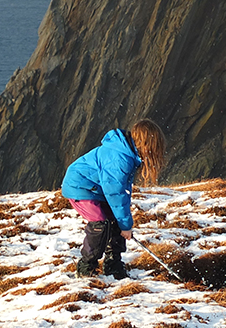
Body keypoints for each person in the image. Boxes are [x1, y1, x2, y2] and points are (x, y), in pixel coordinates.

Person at [61, 118, 166, 278]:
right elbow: (115, 193)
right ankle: (86, 267)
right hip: (80, 187)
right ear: (145, 144)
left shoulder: (127, 154)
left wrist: (123, 224)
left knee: (115, 222)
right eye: (153, 147)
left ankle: (113, 264)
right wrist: (126, 225)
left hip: (95, 189)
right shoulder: (120, 159)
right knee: (100, 225)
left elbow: (120, 193)